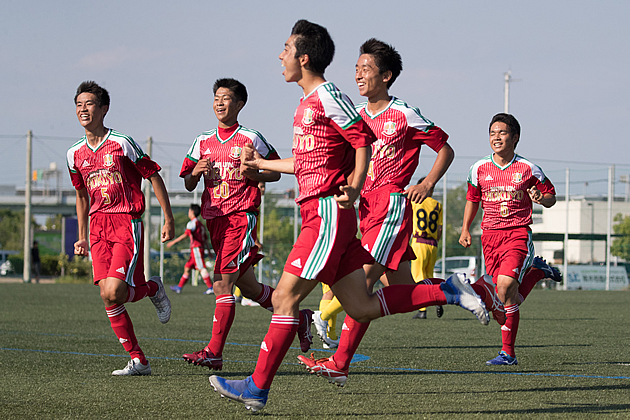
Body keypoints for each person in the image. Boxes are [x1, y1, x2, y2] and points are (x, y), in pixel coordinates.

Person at [208, 21, 489, 412]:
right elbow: (311, 161)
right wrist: (261, 165)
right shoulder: (309, 103)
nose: (280, 55)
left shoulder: (327, 96)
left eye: (286, 48)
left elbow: (362, 138)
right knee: (361, 306)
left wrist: (356, 183)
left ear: (303, 57)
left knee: (286, 298)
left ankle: (257, 386)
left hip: (327, 213)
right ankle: (448, 290)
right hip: (329, 213)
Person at [301, 38, 504, 387]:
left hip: (391, 205)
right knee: (404, 291)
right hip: (364, 209)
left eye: (366, 69)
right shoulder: (357, 116)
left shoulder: (403, 113)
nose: (358, 74)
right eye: (356, 68)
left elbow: (445, 149)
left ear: (387, 76)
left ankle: (339, 362)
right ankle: (469, 288)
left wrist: (426, 183)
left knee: (362, 286)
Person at [178, 78, 313, 372]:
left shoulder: (251, 138)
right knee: (250, 289)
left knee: (221, 283)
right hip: (214, 221)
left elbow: (276, 173)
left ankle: (213, 352)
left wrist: (255, 171)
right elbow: (189, 183)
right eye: (216, 97)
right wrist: (196, 172)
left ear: (239, 104)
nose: (219, 102)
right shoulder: (202, 141)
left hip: (241, 218)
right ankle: (300, 317)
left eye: (225, 98)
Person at [67, 81, 175, 376]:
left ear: (104, 109)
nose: (83, 109)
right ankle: (138, 360)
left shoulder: (122, 143)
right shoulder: (73, 154)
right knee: (108, 295)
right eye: (78, 105)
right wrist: (81, 236)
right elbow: (81, 196)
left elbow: (152, 175)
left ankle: (153, 288)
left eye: (89, 104)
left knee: (115, 290)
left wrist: (168, 218)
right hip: (97, 227)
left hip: (126, 222)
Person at [459, 113, 562, 366]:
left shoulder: (528, 169)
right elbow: (473, 200)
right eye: (492, 132)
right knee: (503, 300)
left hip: (517, 234)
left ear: (515, 138)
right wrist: (465, 229)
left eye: (502, 133)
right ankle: (537, 272)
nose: (496, 137)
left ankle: (508, 354)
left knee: (504, 289)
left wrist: (541, 197)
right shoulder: (479, 168)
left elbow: (551, 197)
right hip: (489, 237)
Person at [410, 177, 443, 319]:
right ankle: (438, 299)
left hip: (419, 242)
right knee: (429, 276)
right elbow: (440, 229)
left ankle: (422, 310)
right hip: (433, 245)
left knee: (419, 277)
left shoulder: (415, 202)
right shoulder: (437, 204)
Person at [167, 204, 214, 295]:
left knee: (201, 268)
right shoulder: (201, 225)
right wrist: (208, 251)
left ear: (192, 212)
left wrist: (173, 242)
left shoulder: (192, 223)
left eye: (189, 211)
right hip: (197, 249)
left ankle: (210, 287)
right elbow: (205, 240)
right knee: (187, 268)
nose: (188, 212)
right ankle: (179, 287)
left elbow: (186, 234)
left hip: (196, 249)